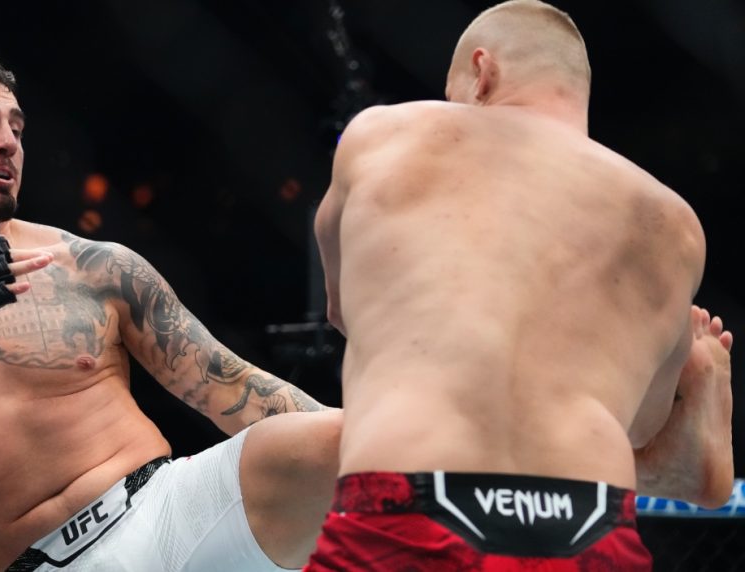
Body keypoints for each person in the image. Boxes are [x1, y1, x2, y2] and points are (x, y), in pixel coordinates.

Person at [0, 53, 341, 572]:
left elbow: (233, 388)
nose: (7, 142)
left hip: (169, 507)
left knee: (335, 442)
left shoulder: (95, 267)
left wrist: (372, 444)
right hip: (40, 562)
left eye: (16, 127)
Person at [307, 1, 734, 570]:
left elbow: (342, 311)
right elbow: (638, 426)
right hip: (590, 517)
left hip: (408, 502)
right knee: (615, 427)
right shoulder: (671, 222)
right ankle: (692, 436)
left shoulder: (384, 134)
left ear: (482, 73)